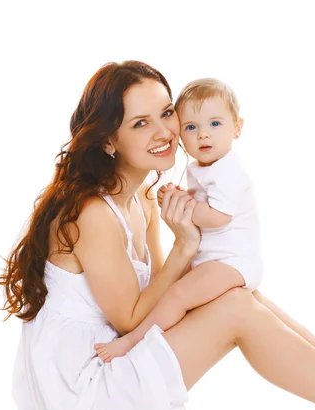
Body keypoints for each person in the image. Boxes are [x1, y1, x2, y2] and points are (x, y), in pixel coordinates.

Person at [0, 60, 315, 410]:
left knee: (242, 297)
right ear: (108, 140)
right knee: (237, 310)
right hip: (86, 390)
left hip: (114, 359)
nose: (165, 131)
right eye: (140, 123)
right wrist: (187, 245)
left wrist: (204, 266)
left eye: (166, 112)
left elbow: (168, 295)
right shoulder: (94, 213)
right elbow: (130, 317)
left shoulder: (141, 200)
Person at [94, 78, 263, 362]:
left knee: (177, 297)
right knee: (180, 295)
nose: (203, 136)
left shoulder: (228, 171)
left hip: (232, 262)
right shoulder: (204, 168)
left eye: (215, 124)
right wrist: (183, 199)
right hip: (218, 261)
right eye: (191, 127)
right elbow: (207, 206)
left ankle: (132, 341)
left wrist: (185, 205)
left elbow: (218, 216)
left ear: (237, 128)